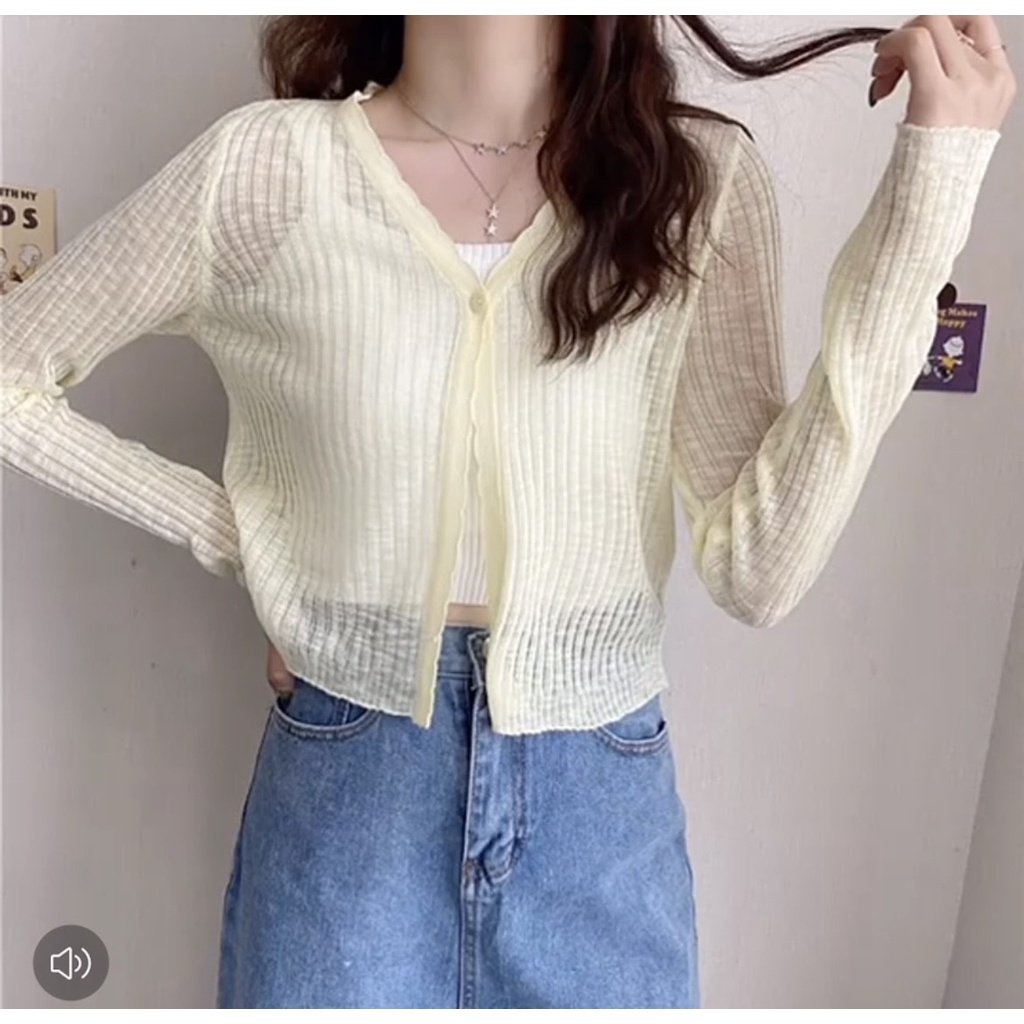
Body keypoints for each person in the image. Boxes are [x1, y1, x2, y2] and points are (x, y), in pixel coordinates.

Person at [0, 14, 1014, 1011]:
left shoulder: (687, 183)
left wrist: (930, 189)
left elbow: (760, 569)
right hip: (352, 789)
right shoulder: (264, 172)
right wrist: (253, 542)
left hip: (597, 806)